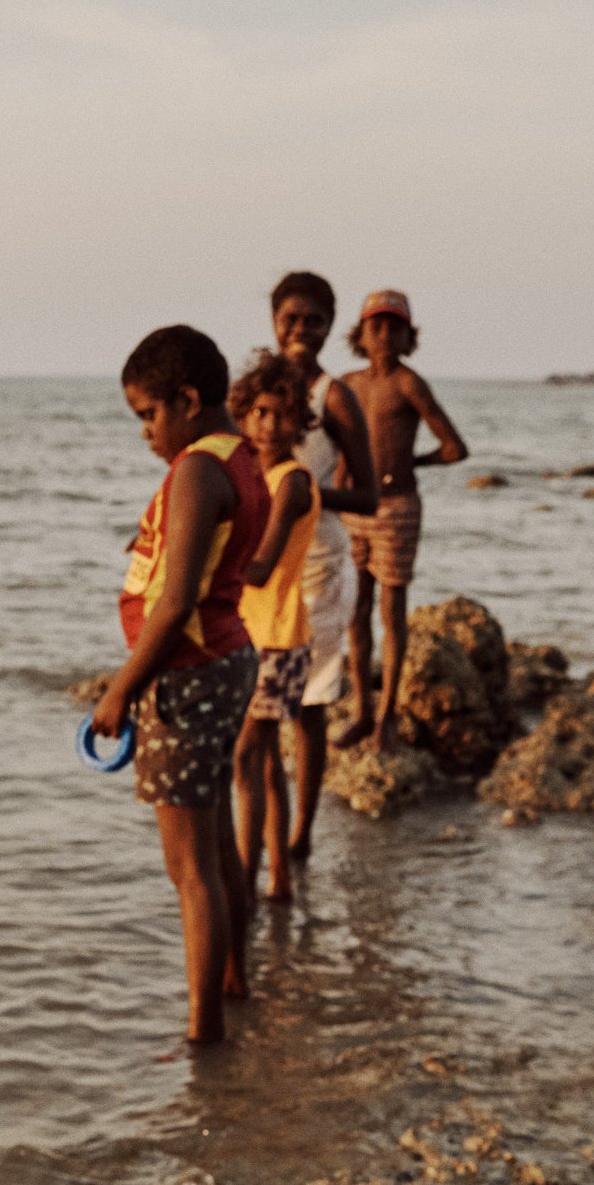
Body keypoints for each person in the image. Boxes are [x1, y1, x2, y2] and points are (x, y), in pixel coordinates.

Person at [91, 325, 269, 1048]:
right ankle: (233, 981)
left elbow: (176, 601)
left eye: (148, 414)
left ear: (188, 401)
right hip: (225, 661)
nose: (144, 433)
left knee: (189, 868)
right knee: (218, 842)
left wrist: (120, 689)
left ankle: (205, 1034)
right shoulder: (241, 458)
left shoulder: (198, 469)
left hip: (188, 673)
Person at [267, 271, 379, 853]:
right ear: (273, 321)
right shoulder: (261, 392)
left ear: (331, 326)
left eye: (314, 320)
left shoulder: (333, 396)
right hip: (263, 570)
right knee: (257, 711)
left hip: (318, 569)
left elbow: (368, 497)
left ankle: (301, 835)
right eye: (291, 318)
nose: (302, 330)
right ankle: (260, 835)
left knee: (308, 708)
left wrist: (304, 494)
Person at [336, 288, 467, 751]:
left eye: (395, 327)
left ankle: (386, 718)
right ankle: (360, 713)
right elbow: (339, 452)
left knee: (391, 613)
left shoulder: (409, 384)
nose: (385, 334)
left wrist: (416, 464)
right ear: (361, 334)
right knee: (355, 611)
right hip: (355, 508)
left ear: (408, 336)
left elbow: (455, 448)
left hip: (396, 508)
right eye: (377, 326)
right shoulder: (348, 385)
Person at [228, 352, 319, 907]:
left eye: (283, 416)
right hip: (249, 632)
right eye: (260, 412)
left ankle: (245, 876)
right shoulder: (247, 476)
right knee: (263, 762)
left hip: (278, 637)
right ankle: (278, 879)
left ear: (301, 424)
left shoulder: (292, 482)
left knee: (247, 757)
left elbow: (260, 566)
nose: (269, 425)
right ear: (242, 415)